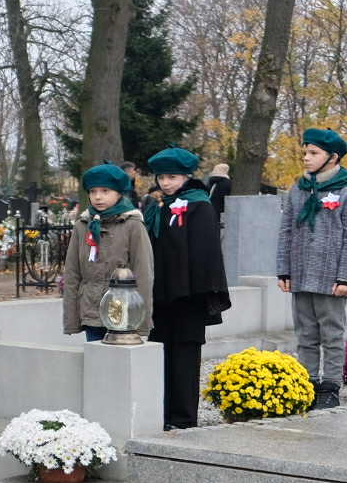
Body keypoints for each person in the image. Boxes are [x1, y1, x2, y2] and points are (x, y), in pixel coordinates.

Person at [142, 148, 231, 429]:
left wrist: (201, 293)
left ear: (186, 176)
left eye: (172, 177)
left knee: (184, 357)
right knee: (160, 355)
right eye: (161, 177)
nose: (165, 183)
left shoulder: (199, 205)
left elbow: (206, 253)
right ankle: (162, 414)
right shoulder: (159, 206)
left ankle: (182, 418)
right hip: (161, 296)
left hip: (189, 296)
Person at [277, 129, 347, 410]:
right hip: (301, 274)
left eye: (313, 153)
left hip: (331, 277)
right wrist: (284, 271)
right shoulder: (298, 189)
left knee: (332, 332)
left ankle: (330, 386)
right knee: (305, 333)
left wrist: (345, 277)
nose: (306, 158)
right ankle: (308, 381)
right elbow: (286, 231)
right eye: (305, 152)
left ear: (333, 157)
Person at [61, 163, 154, 343]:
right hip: (91, 311)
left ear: (119, 193)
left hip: (124, 312)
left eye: (105, 191)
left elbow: (143, 273)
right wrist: (72, 318)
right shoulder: (82, 225)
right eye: (93, 191)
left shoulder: (132, 225)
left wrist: (140, 320)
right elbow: (72, 272)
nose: (98, 197)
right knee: (97, 364)